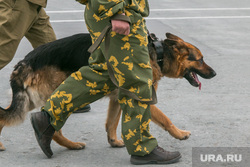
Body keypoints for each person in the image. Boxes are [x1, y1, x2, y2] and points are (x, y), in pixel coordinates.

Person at [30, 0, 181, 165]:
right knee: (137, 79)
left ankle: (49, 116)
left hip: (106, 11)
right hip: (116, 11)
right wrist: (116, 11)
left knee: (106, 74)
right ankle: (141, 147)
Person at [0, 0, 90, 113]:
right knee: (2, 54)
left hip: (36, 4)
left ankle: (64, 96)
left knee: (54, 55)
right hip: (19, 4)